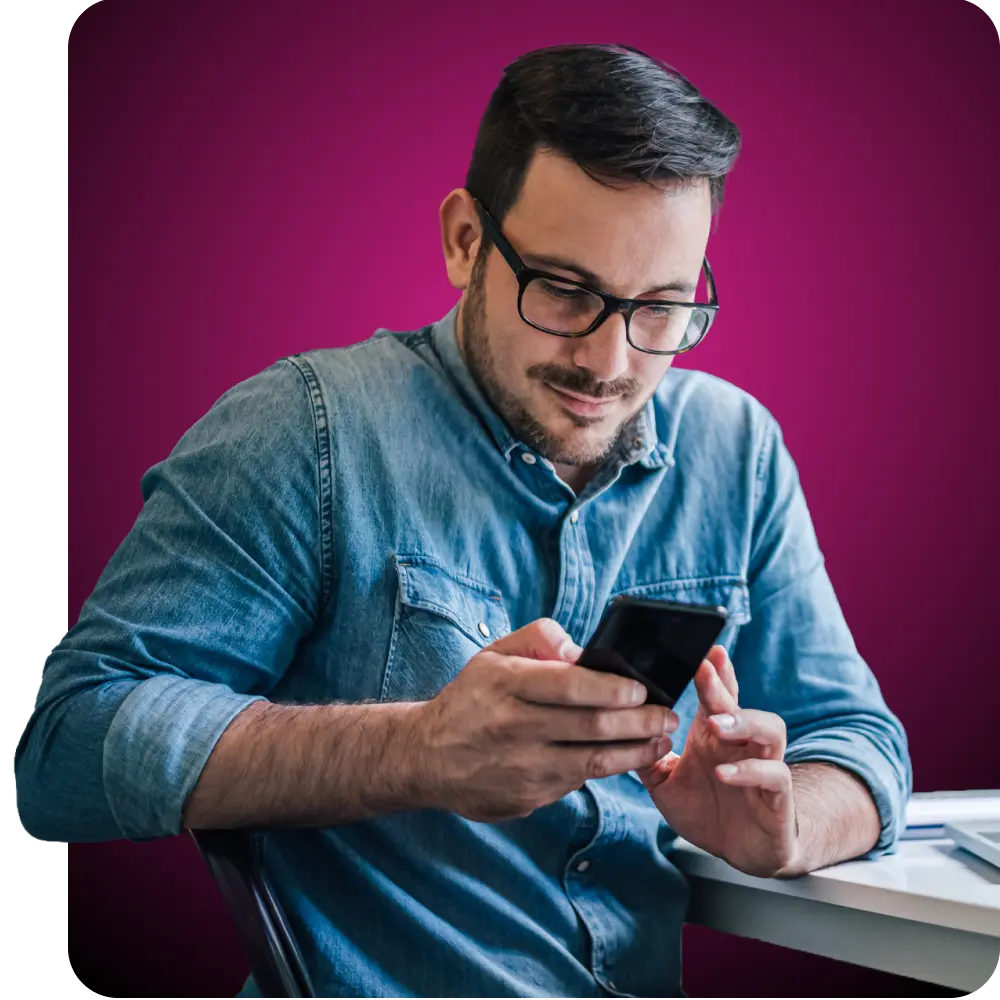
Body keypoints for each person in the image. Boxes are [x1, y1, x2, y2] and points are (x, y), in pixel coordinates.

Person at [15, 42, 912, 1000]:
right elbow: (63, 754)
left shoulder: (738, 448)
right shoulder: (304, 432)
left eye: (661, 307)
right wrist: (422, 750)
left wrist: (785, 824)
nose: (610, 360)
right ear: (463, 241)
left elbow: (859, 739)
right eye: (566, 291)